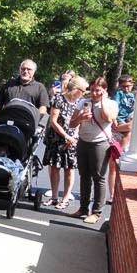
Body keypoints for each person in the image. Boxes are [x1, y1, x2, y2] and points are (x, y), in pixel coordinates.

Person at [69, 77, 118, 225]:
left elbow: (108, 119)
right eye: (92, 90)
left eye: (98, 90)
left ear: (105, 90)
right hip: (83, 142)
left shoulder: (111, 104)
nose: (95, 93)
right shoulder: (83, 102)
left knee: (98, 177)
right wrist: (81, 118)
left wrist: (102, 102)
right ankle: (83, 208)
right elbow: (72, 124)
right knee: (84, 176)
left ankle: (96, 212)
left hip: (100, 144)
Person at [42, 76, 87, 209]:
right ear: (75, 89)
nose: (83, 94)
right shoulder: (59, 99)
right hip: (56, 139)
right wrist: (66, 136)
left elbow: (80, 121)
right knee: (55, 167)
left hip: (72, 140)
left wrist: (74, 136)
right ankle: (54, 197)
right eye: (82, 90)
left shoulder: (81, 102)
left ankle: (66, 198)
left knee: (69, 169)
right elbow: (53, 121)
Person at [0, 59, 49, 127]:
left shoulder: (40, 87)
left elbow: (43, 108)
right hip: (7, 123)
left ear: (34, 71)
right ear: (20, 70)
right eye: (23, 69)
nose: (25, 71)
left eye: (29, 69)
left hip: (27, 125)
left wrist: (34, 122)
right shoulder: (9, 84)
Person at [108, 74, 136, 201]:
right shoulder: (119, 95)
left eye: (129, 86)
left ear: (132, 85)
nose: (126, 89)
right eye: (124, 86)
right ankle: (112, 194)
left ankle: (121, 151)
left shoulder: (133, 97)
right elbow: (115, 109)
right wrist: (115, 122)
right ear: (120, 86)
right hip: (119, 121)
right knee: (113, 164)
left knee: (129, 130)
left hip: (126, 123)